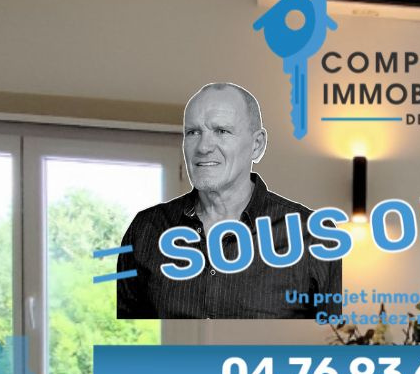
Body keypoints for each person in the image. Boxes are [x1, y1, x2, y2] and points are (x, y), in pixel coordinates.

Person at [114, 83, 341, 319]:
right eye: (193, 132)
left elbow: (341, 339)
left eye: (221, 131)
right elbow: (125, 337)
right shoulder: (145, 230)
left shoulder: (314, 236)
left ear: (257, 145)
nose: (203, 147)